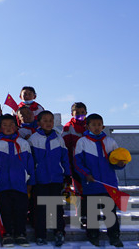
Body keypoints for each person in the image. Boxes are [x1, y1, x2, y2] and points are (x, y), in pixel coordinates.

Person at [74, 113, 126, 248]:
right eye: (93, 125)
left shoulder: (110, 142)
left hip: (109, 184)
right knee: (92, 213)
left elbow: (116, 160)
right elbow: (78, 163)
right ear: (87, 126)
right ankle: (93, 235)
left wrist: (120, 164)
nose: (96, 127)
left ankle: (114, 236)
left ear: (103, 126)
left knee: (110, 212)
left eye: (99, 125)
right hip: (91, 184)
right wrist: (86, 174)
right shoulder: (82, 142)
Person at [0, 114, 35, 247]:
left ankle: (20, 234)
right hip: (2, 185)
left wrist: (30, 182)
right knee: (5, 211)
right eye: (5, 125)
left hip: (20, 184)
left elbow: (30, 165)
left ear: (16, 126)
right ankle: (6, 234)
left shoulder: (24, 144)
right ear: (0, 127)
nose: (8, 127)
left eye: (11, 125)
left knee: (20, 211)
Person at [29, 111, 70, 247]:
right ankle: (40, 235)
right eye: (45, 120)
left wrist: (67, 174)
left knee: (56, 208)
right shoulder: (33, 139)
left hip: (56, 179)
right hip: (40, 180)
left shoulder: (58, 138)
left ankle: (59, 232)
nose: (48, 123)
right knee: (40, 209)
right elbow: (30, 161)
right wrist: (31, 178)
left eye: (50, 121)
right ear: (39, 122)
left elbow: (64, 158)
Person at [62, 102, 87, 185]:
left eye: (82, 112)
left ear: (86, 113)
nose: (80, 115)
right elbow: (65, 147)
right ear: (72, 114)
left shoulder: (91, 125)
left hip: (89, 160)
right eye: (77, 113)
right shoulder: (68, 127)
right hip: (75, 161)